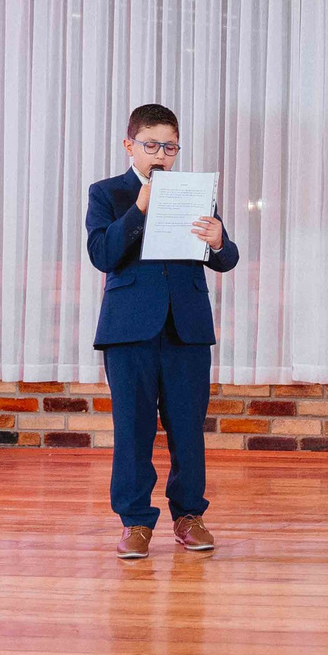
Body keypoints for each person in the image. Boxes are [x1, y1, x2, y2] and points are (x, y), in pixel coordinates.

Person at [87, 102, 239, 560]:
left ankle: (189, 516)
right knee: (132, 428)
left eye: (169, 147)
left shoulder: (195, 191)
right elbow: (102, 254)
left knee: (188, 428)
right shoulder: (107, 192)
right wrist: (138, 208)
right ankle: (135, 522)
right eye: (151, 145)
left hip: (186, 327)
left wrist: (218, 241)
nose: (161, 155)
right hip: (129, 327)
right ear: (129, 145)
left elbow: (226, 258)